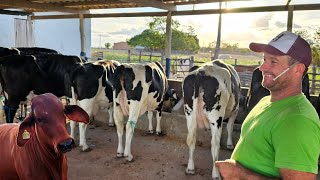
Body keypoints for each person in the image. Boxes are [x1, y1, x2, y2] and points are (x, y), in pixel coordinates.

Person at [215, 31, 320, 180]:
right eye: (264, 59)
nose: (262, 68)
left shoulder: (297, 120)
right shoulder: (266, 102)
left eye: (273, 61)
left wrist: (240, 174)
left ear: (298, 69)